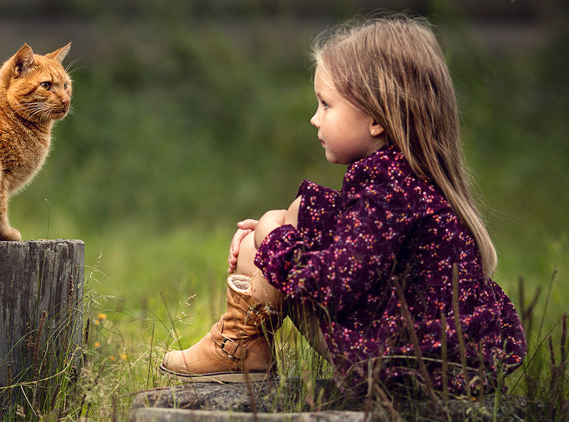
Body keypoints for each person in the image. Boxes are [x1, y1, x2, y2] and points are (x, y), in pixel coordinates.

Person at [160, 15, 527, 395]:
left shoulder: (386, 189)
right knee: (296, 212)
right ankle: (243, 347)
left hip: (404, 371)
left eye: (326, 104)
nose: (314, 119)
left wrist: (274, 243)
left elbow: (339, 285)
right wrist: (276, 232)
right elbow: (353, 252)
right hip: (437, 364)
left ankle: (238, 348)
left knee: (276, 230)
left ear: (375, 118)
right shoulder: (408, 179)